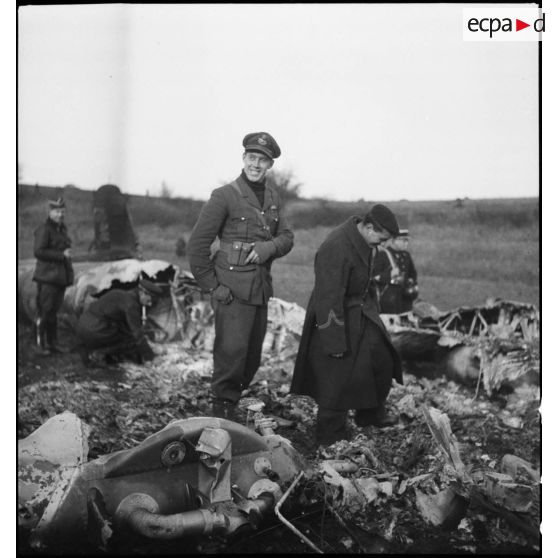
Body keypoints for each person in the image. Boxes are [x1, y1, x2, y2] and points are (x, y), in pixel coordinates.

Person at [187, 132, 294, 420]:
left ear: (270, 164)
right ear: (243, 158)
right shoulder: (224, 196)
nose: (256, 165)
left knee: (251, 359)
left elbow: (286, 237)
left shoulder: (272, 197)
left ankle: (230, 404)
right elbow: (197, 247)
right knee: (230, 356)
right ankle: (221, 416)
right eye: (251, 158)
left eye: (262, 160)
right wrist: (213, 288)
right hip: (231, 291)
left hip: (258, 290)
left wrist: (267, 248)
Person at [290, 204, 403, 446]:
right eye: (380, 241)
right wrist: (334, 341)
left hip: (359, 309)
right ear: (369, 227)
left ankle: (370, 413)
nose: (381, 247)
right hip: (334, 314)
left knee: (381, 358)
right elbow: (329, 297)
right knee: (336, 376)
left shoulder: (364, 238)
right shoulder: (336, 247)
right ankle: (329, 435)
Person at [74, 279, 165, 367]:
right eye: (149, 300)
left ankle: (97, 350)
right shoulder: (131, 305)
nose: (149, 304)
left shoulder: (120, 294)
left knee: (126, 335)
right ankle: (99, 353)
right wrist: (151, 357)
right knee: (132, 341)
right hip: (94, 330)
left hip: (82, 327)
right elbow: (137, 335)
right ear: (142, 293)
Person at [32, 198, 74, 355]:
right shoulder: (44, 229)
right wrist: (61, 255)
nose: (60, 215)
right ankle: (38, 345)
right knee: (44, 311)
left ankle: (53, 343)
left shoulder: (61, 229)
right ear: (49, 213)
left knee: (53, 312)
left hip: (59, 278)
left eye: (63, 212)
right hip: (47, 277)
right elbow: (39, 251)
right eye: (57, 211)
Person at [374, 229, 419, 314]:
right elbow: (375, 277)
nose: (406, 243)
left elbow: (412, 273)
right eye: (403, 240)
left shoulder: (406, 255)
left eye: (407, 241)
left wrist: (412, 281)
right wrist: (389, 275)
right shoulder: (383, 255)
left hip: (404, 298)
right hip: (388, 297)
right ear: (394, 240)